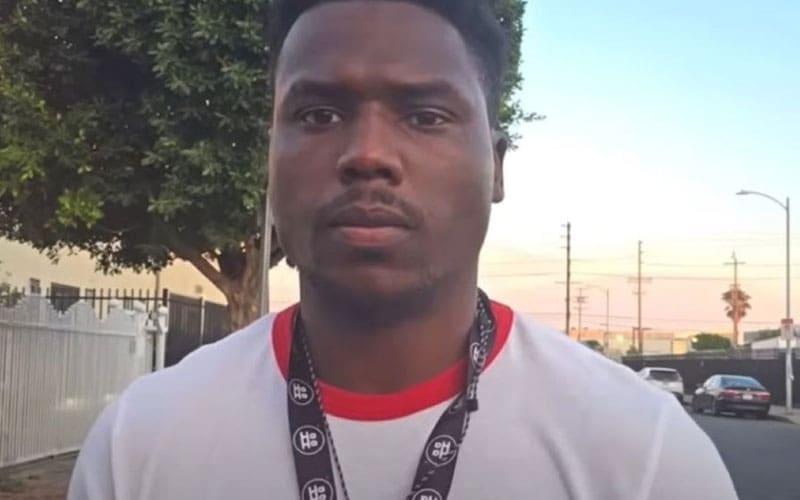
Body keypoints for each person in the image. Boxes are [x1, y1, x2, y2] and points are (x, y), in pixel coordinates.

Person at [69, 1, 739, 499]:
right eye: (318, 115)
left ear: (497, 168)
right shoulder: (141, 443)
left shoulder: (645, 457)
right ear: (269, 159)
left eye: (425, 116)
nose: (367, 154)